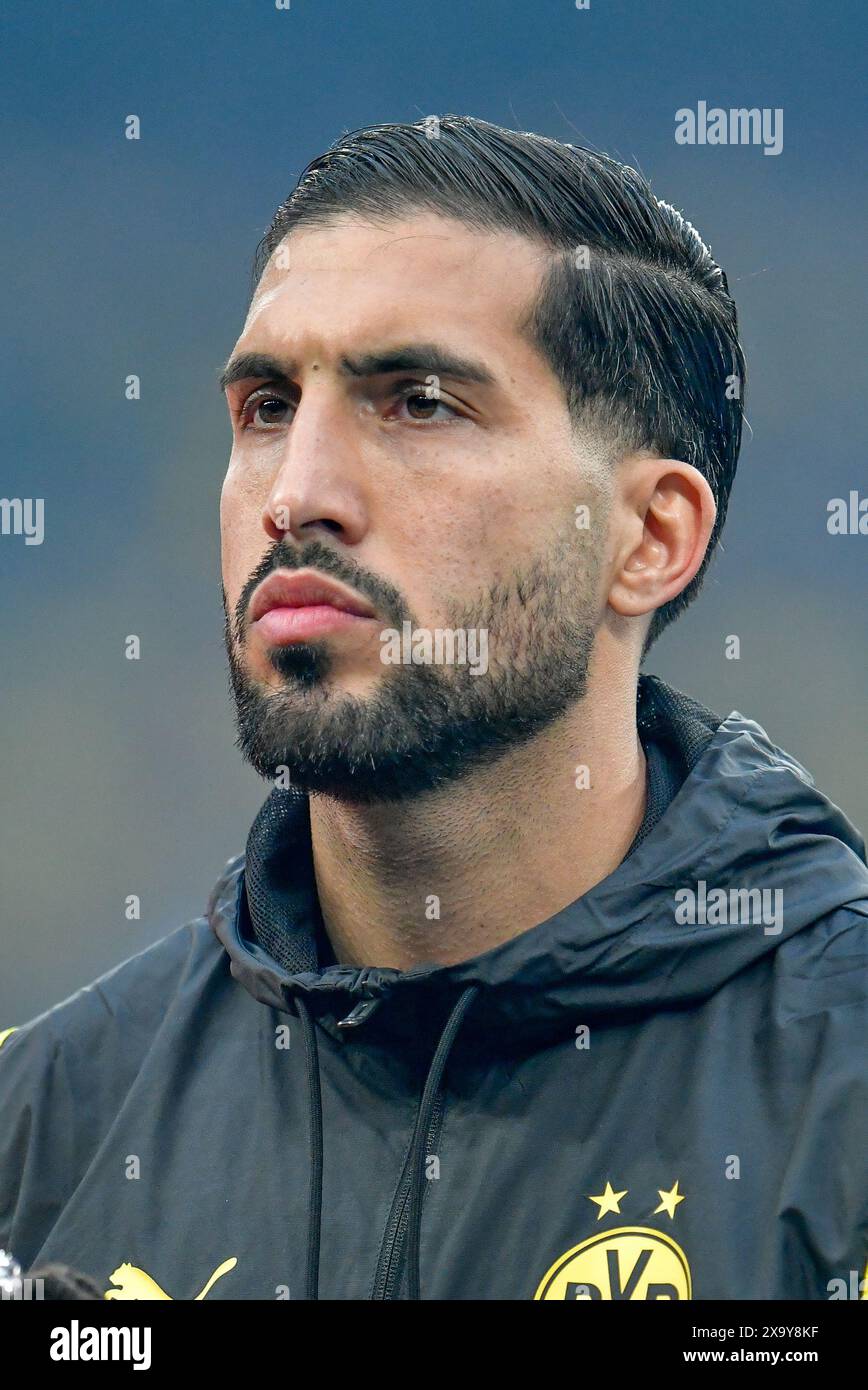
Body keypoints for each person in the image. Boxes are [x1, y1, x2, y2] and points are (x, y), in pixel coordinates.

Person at [1, 117, 865, 1301]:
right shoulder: (42, 1124)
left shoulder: (841, 1085)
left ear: (648, 536)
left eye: (416, 402)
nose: (296, 495)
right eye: (263, 407)